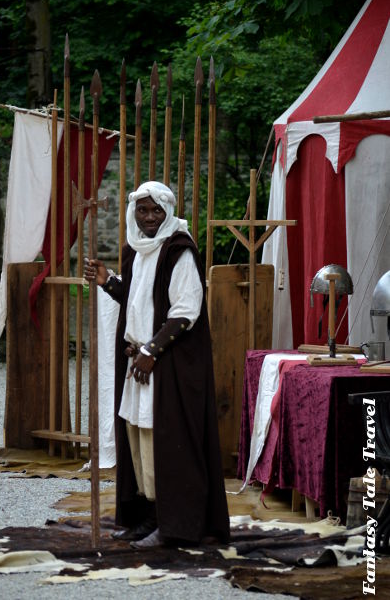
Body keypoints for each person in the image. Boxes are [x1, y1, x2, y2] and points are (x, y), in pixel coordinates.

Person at [84, 181, 229, 549]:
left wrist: (152, 350)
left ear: (168, 212)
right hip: (141, 362)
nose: (149, 218)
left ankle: (174, 525)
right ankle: (148, 516)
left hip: (167, 365)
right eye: (143, 210)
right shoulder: (137, 251)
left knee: (166, 444)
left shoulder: (179, 251)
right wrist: (108, 282)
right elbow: (138, 298)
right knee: (138, 440)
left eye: (156, 211)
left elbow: (186, 311)